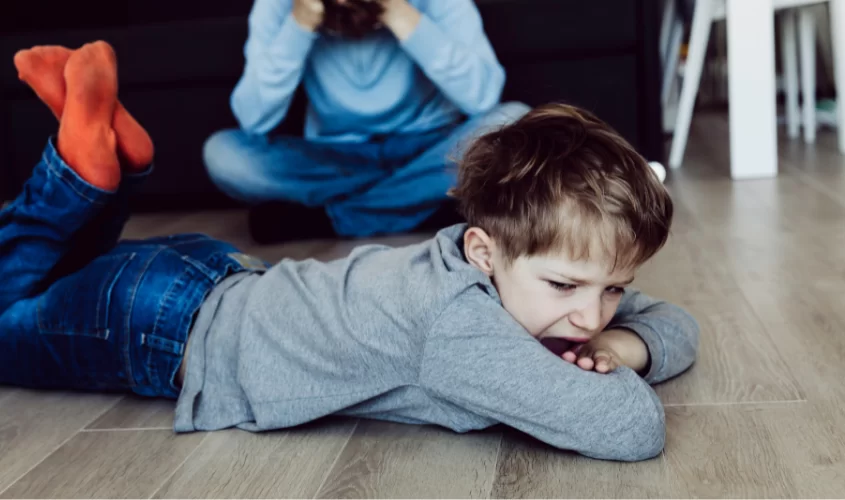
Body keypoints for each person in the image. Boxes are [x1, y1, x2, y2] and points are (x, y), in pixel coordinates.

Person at [2, 42, 698, 463]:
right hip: (158, 330)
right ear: (485, 251)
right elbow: (629, 427)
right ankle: (77, 175)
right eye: (566, 287)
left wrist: (622, 345)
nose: (588, 314)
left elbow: (673, 321)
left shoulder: (519, 269)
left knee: (43, 283)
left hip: (200, 278)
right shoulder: (462, 328)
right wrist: (606, 359)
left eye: (612, 289)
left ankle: (95, 171)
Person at [203, 0, 530, 243]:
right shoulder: (279, 5)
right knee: (224, 156)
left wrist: (397, 11)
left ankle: (335, 220)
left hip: (429, 150)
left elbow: (484, 97)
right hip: (337, 159)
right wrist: (299, 23)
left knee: (513, 121)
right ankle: (421, 203)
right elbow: (253, 119)